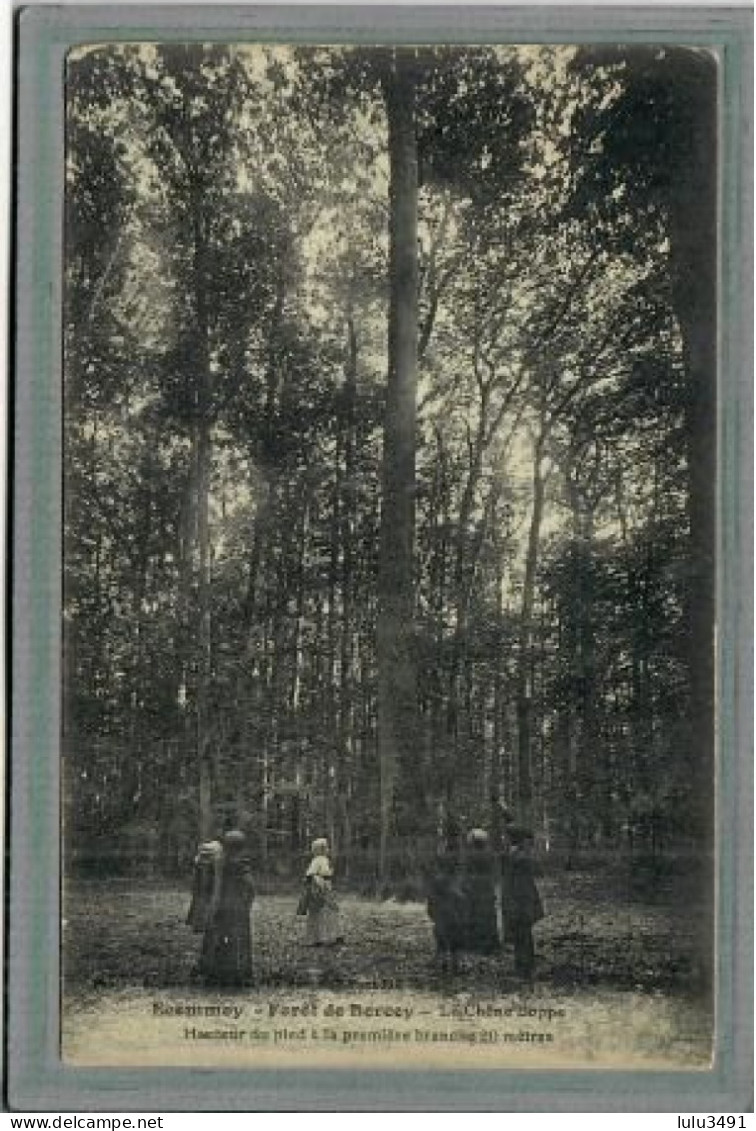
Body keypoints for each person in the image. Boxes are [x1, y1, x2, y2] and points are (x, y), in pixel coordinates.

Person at [198, 829, 256, 987]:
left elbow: (209, 885)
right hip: (237, 909)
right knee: (238, 940)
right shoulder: (242, 864)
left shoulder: (218, 862)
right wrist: (248, 902)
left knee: (218, 938)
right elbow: (250, 886)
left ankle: (214, 972)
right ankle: (239, 974)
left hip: (221, 907)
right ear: (242, 847)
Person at [506, 826, 544, 984]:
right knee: (523, 934)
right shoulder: (521, 855)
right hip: (523, 898)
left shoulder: (518, 856)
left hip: (521, 899)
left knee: (522, 935)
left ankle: (524, 970)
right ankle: (525, 968)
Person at [426, 844, 467, 974]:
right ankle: (455, 964)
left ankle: (443, 963)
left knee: (442, 941)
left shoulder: (437, 881)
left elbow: (431, 900)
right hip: (454, 918)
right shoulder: (458, 884)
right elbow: (463, 901)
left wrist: (432, 914)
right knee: (455, 943)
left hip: (442, 917)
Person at [462, 828, 500, 954]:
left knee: (475, 914)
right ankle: (490, 944)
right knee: (487, 914)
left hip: (474, 887)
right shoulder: (490, 854)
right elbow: (495, 872)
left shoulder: (469, 855)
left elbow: (466, 873)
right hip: (486, 887)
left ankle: (475, 945)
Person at [302, 837, 343, 946]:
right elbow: (313, 874)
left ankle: (324, 936)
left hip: (323, 887)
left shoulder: (319, 860)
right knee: (324, 911)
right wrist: (321, 883)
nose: (328, 849)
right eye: (326, 847)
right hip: (321, 888)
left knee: (326, 912)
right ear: (321, 849)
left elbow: (310, 875)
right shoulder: (320, 860)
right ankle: (324, 937)